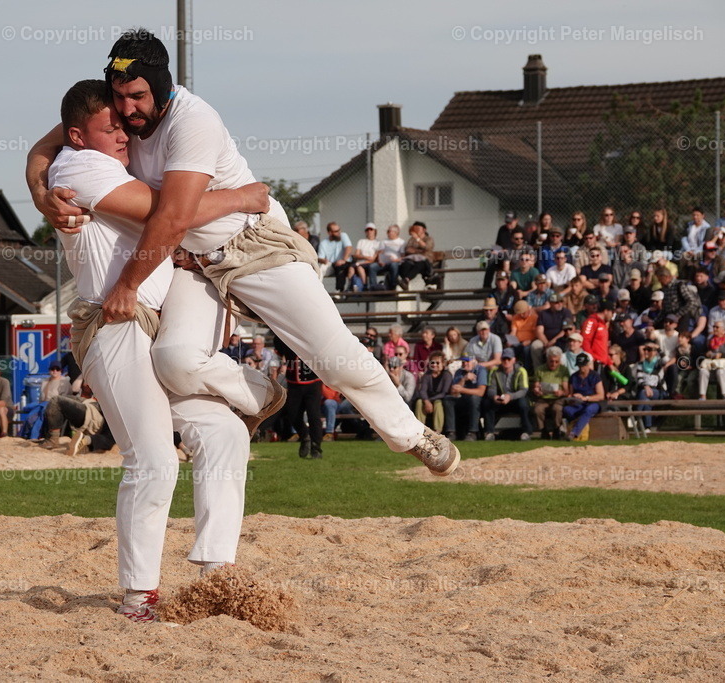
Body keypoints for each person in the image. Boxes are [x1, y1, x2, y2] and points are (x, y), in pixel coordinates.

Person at [29, 34, 457, 486]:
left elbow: (172, 217)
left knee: (331, 355)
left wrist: (128, 286)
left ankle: (412, 434)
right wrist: (41, 195)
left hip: (252, 244)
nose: (127, 109)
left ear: (160, 85)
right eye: (118, 98)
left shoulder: (192, 121)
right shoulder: (117, 119)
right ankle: (262, 396)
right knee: (175, 360)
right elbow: (44, 147)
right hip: (193, 260)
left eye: (136, 96)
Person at [34, 76, 318, 623]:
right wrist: (240, 197)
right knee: (154, 459)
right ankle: (138, 596)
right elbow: (170, 213)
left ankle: (216, 572)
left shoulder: (119, 161)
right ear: (75, 135)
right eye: (109, 126)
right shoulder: (76, 168)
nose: (122, 132)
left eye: (124, 121)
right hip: (114, 326)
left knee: (225, 433)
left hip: (156, 325)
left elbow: (169, 225)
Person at [275, 335, 324, 459]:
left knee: (314, 416)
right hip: (294, 384)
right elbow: (280, 349)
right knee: (292, 414)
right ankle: (304, 437)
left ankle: (316, 447)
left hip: (313, 383)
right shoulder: (284, 336)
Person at [482, 348, 533, 441]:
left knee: (523, 403)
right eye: (504, 359)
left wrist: (510, 396)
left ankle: (527, 432)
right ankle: (489, 432)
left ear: (514, 360)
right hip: (501, 400)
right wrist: (494, 397)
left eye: (508, 359)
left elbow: (523, 390)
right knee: (488, 403)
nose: (506, 361)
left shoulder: (521, 371)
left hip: (515, 400)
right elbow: (491, 389)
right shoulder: (495, 371)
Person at [562, 354, 605, 440]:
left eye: (583, 366)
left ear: (588, 364)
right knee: (566, 410)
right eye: (579, 366)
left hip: (593, 402)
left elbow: (601, 395)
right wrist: (572, 397)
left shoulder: (595, 376)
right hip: (578, 403)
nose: (582, 368)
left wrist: (586, 398)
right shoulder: (574, 377)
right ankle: (576, 426)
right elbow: (571, 393)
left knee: (588, 410)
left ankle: (574, 433)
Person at [531, 346, 570, 439]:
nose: (553, 364)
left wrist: (561, 393)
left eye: (556, 361)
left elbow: (566, 390)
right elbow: (536, 386)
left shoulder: (563, 370)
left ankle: (557, 429)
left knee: (557, 409)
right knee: (538, 409)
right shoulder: (540, 370)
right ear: (547, 359)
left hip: (557, 398)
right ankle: (543, 430)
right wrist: (536, 390)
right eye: (551, 361)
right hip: (543, 398)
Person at [448, 356, 488, 441]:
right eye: (463, 362)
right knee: (448, 399)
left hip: (479, 401)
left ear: (474, 362)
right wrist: (464, 379)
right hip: (463, 399)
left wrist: (462, 389)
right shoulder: (459, 372)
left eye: (467, 361)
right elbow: (453, 391)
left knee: (474, 399)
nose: (465, 364)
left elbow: (481, 392)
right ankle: (451, 432)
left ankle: (472, 433)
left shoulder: (481, 370)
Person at [417, 352, 453, 436]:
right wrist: (426, 401)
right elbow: (423, 391)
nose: (434, 365)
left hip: (440, 399)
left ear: (443, 364)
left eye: (437, 363)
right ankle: (419, 430)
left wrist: (429, 401)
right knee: (419, 402)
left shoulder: (447, 375)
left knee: (438, 403)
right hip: (428, 399)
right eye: (432, 362)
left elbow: (444, 392)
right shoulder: (426, 375)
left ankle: (438, 430)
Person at [397, 221, 434, 290]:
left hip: (425, 262)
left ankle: (406, 280)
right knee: (404, 265)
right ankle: (405, 282)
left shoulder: (428, 239)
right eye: (415, 229)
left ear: (424, 230)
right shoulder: (411, 240)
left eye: (418, 229)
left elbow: (427, 247)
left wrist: (417, 239)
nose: (416, 230)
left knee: (420, 264)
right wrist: (420, 251)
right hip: (412, 261)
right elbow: (408, 249)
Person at [317, 221, 353, 290]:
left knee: (340, 267)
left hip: (345, 263)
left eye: (339, 230)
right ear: (330, 233)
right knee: (321, 268)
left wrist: (343, 260)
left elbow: (349, 248)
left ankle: (339, 292)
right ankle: (318, 289)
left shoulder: (343, 235)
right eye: (336, 231)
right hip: (331, 264)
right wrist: (323, 260)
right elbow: (320, 257)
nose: (339, 232)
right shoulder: (323, 243)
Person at [370, 224, 405, 290]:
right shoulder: (384, 241)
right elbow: (380, 253)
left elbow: (403, 257)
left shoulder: (401, 242)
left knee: (394, 265)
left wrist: (396, 260)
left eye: (389, 231)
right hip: (384, 262)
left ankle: (393, 285)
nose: (387, 233)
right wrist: (380, 261)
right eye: (387, 231)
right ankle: (373, 286)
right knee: (372, 267)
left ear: (396, 233)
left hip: (395, 262)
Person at [350, 223, 380, 291]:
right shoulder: (361, 241)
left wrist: (362, 261)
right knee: (351, 268)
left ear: (375, 231)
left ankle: (364, 285)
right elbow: (356, 255)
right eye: (367, 230)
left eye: (371, 230)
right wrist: (365, 257)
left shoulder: (378, 243)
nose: (369, 231)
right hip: (362, 261)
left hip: (369, 263)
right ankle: (350, 286)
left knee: (359, 267)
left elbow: (373, 258)